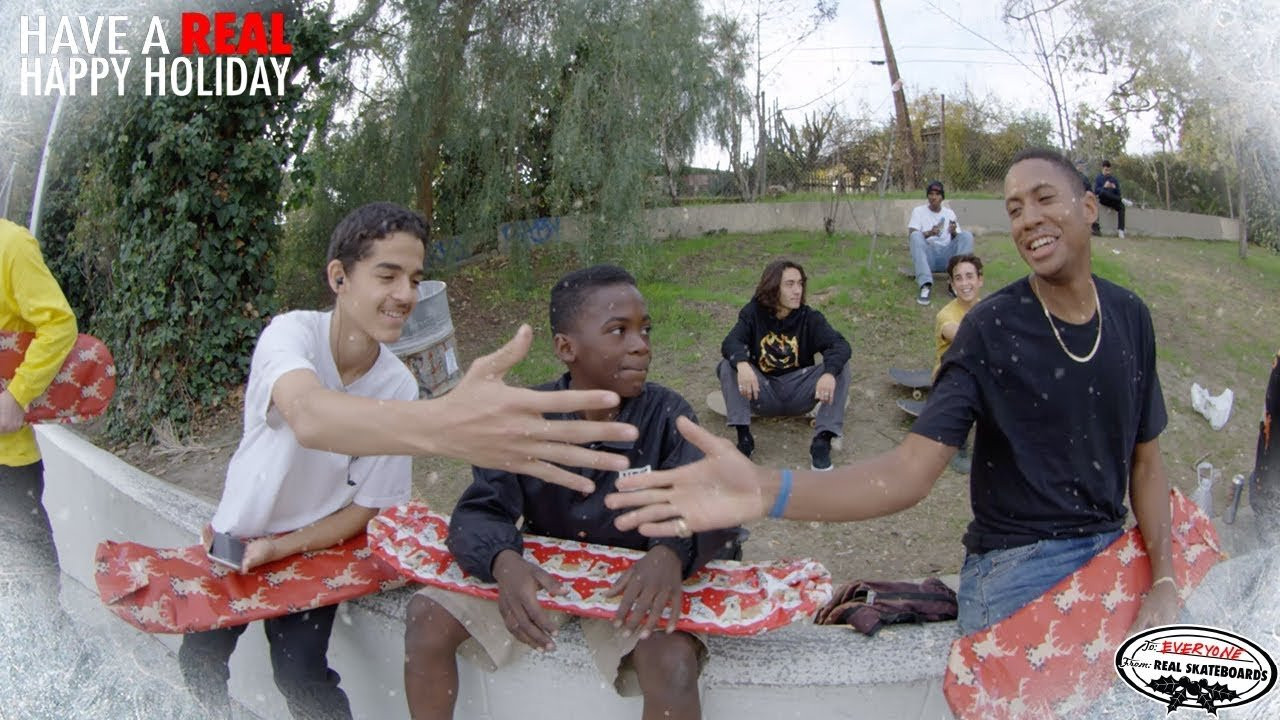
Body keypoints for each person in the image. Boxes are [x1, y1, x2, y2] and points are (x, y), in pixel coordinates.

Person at [606, 148, 1179, 637]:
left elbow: (1146, 464)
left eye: (1043, 199)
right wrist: (764, 490)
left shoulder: (1130, 317)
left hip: (1110, 551)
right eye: (1013, 208)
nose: (1027, 219)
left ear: (1088, 207)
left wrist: (1165, 579)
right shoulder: (990, 331)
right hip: (1017, 568)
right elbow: (908, 472)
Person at [177, 205, 638, 719]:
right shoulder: (290, 336)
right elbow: (309, 416)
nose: (405, 295)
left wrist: (282, 546)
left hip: (311, 549)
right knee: (201, 654)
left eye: (415, 279)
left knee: (301, 675)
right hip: (234, 536)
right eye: (387, 275)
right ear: (339, 277)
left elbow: (365, 510)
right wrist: (445, 426)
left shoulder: (397, 382)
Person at [404, 264, 736, 720]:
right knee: (425, 617)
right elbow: (481, 510)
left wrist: (669, 552)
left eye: (645, 329)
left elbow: (711, 505)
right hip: (543, 574)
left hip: (635, 583)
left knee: (674, 665)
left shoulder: (667, 416)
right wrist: (504, 563)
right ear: (566, 348)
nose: (641, 344)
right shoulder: (529, 419)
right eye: (618, 331)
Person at [717, 259, 851, 471]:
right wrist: (743, 364)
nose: (797, 290)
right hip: (762, 392)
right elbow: (731, 342)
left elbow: (840, 346)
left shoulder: (810, 318)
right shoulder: (752, 313)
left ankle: (822, 442)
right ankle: (744, 439)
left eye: (800, 284)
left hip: (800, 393)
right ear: (773, 287)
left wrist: (828, 374)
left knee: (840, 367)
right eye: (789, 284)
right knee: (728, 365)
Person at [0, 219, 77, 570]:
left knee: (33, 585)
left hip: (6, 462)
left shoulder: (11, 245)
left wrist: (18, 394)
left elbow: (58, 324)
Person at [933, 253, 984, 475]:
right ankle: (957, 446)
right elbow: (955, 333)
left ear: (979, 280)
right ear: (952, 285)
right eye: (959, 278)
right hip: (950, 377)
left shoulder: (986, 308)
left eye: (969, 277)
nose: (965, 283)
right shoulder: (946, 314)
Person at [908, 180, 976, 306]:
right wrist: (929, 233)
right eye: (931, 194)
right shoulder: (918, 211)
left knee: (967, 236)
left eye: (937, 194)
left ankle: (954, 283)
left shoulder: (949, 213)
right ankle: (925, 285)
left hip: (947, 257)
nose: (934, 197)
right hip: (928, 256)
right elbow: (912, 234)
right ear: (927, 196)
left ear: (942, 197)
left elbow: (958, 239)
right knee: (916, 235)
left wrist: (954, 232)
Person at [1091, 160, 1126, 238]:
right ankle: (1121, 200)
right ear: (1102, 169)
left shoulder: (1113, 179)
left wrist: (1114, 187)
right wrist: (1104, 187)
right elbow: (1096, 191)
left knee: (1122, 207)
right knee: (1103, 193)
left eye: (1109, 170)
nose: (1108, 172)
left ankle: (1121, 230)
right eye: (1106, 170)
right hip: (1104, 199)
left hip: (1114, 200)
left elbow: (1118, 193)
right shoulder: (1098, 178)